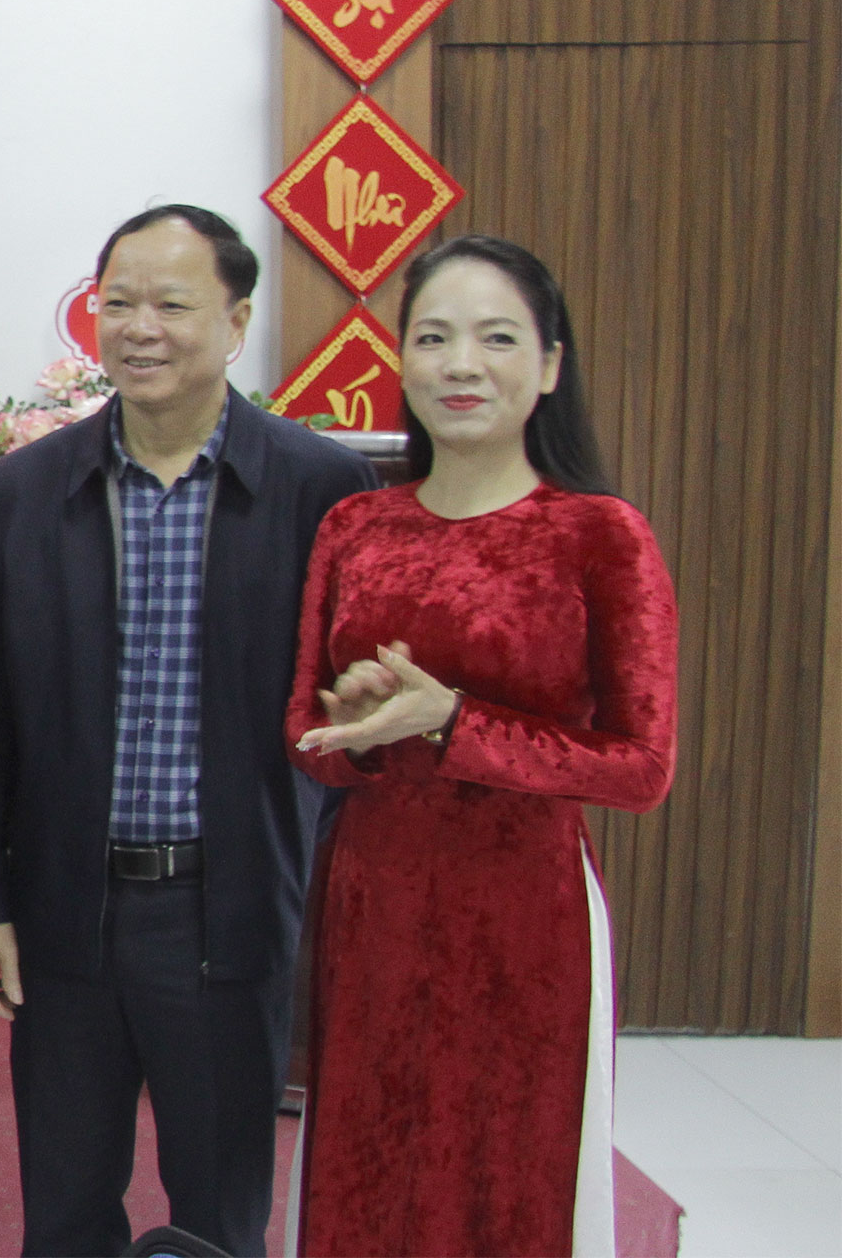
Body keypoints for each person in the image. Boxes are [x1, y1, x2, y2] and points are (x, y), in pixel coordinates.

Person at [0, 205, 375, 1258]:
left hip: (229, 910)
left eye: (172, 304)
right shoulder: (33, 487)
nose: (141, 328)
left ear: (236, 321)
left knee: (220, 1208)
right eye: (120, 303)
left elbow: (349, 719)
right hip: (66, 909)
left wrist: (300, 871)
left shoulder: (320, 487)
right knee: (64, 1203)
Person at [285, 236, 675, 1257]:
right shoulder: (355, 526)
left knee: (507, 1178)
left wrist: (454, 724)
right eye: (434, 337)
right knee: (366, 1167)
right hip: (373, 901)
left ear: (549, 365)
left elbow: (640, 767)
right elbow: (305, 738)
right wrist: (359, 729)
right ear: (403, 360)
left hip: (525, 913)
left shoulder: (599, 534)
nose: (461, 364)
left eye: (497, 338)